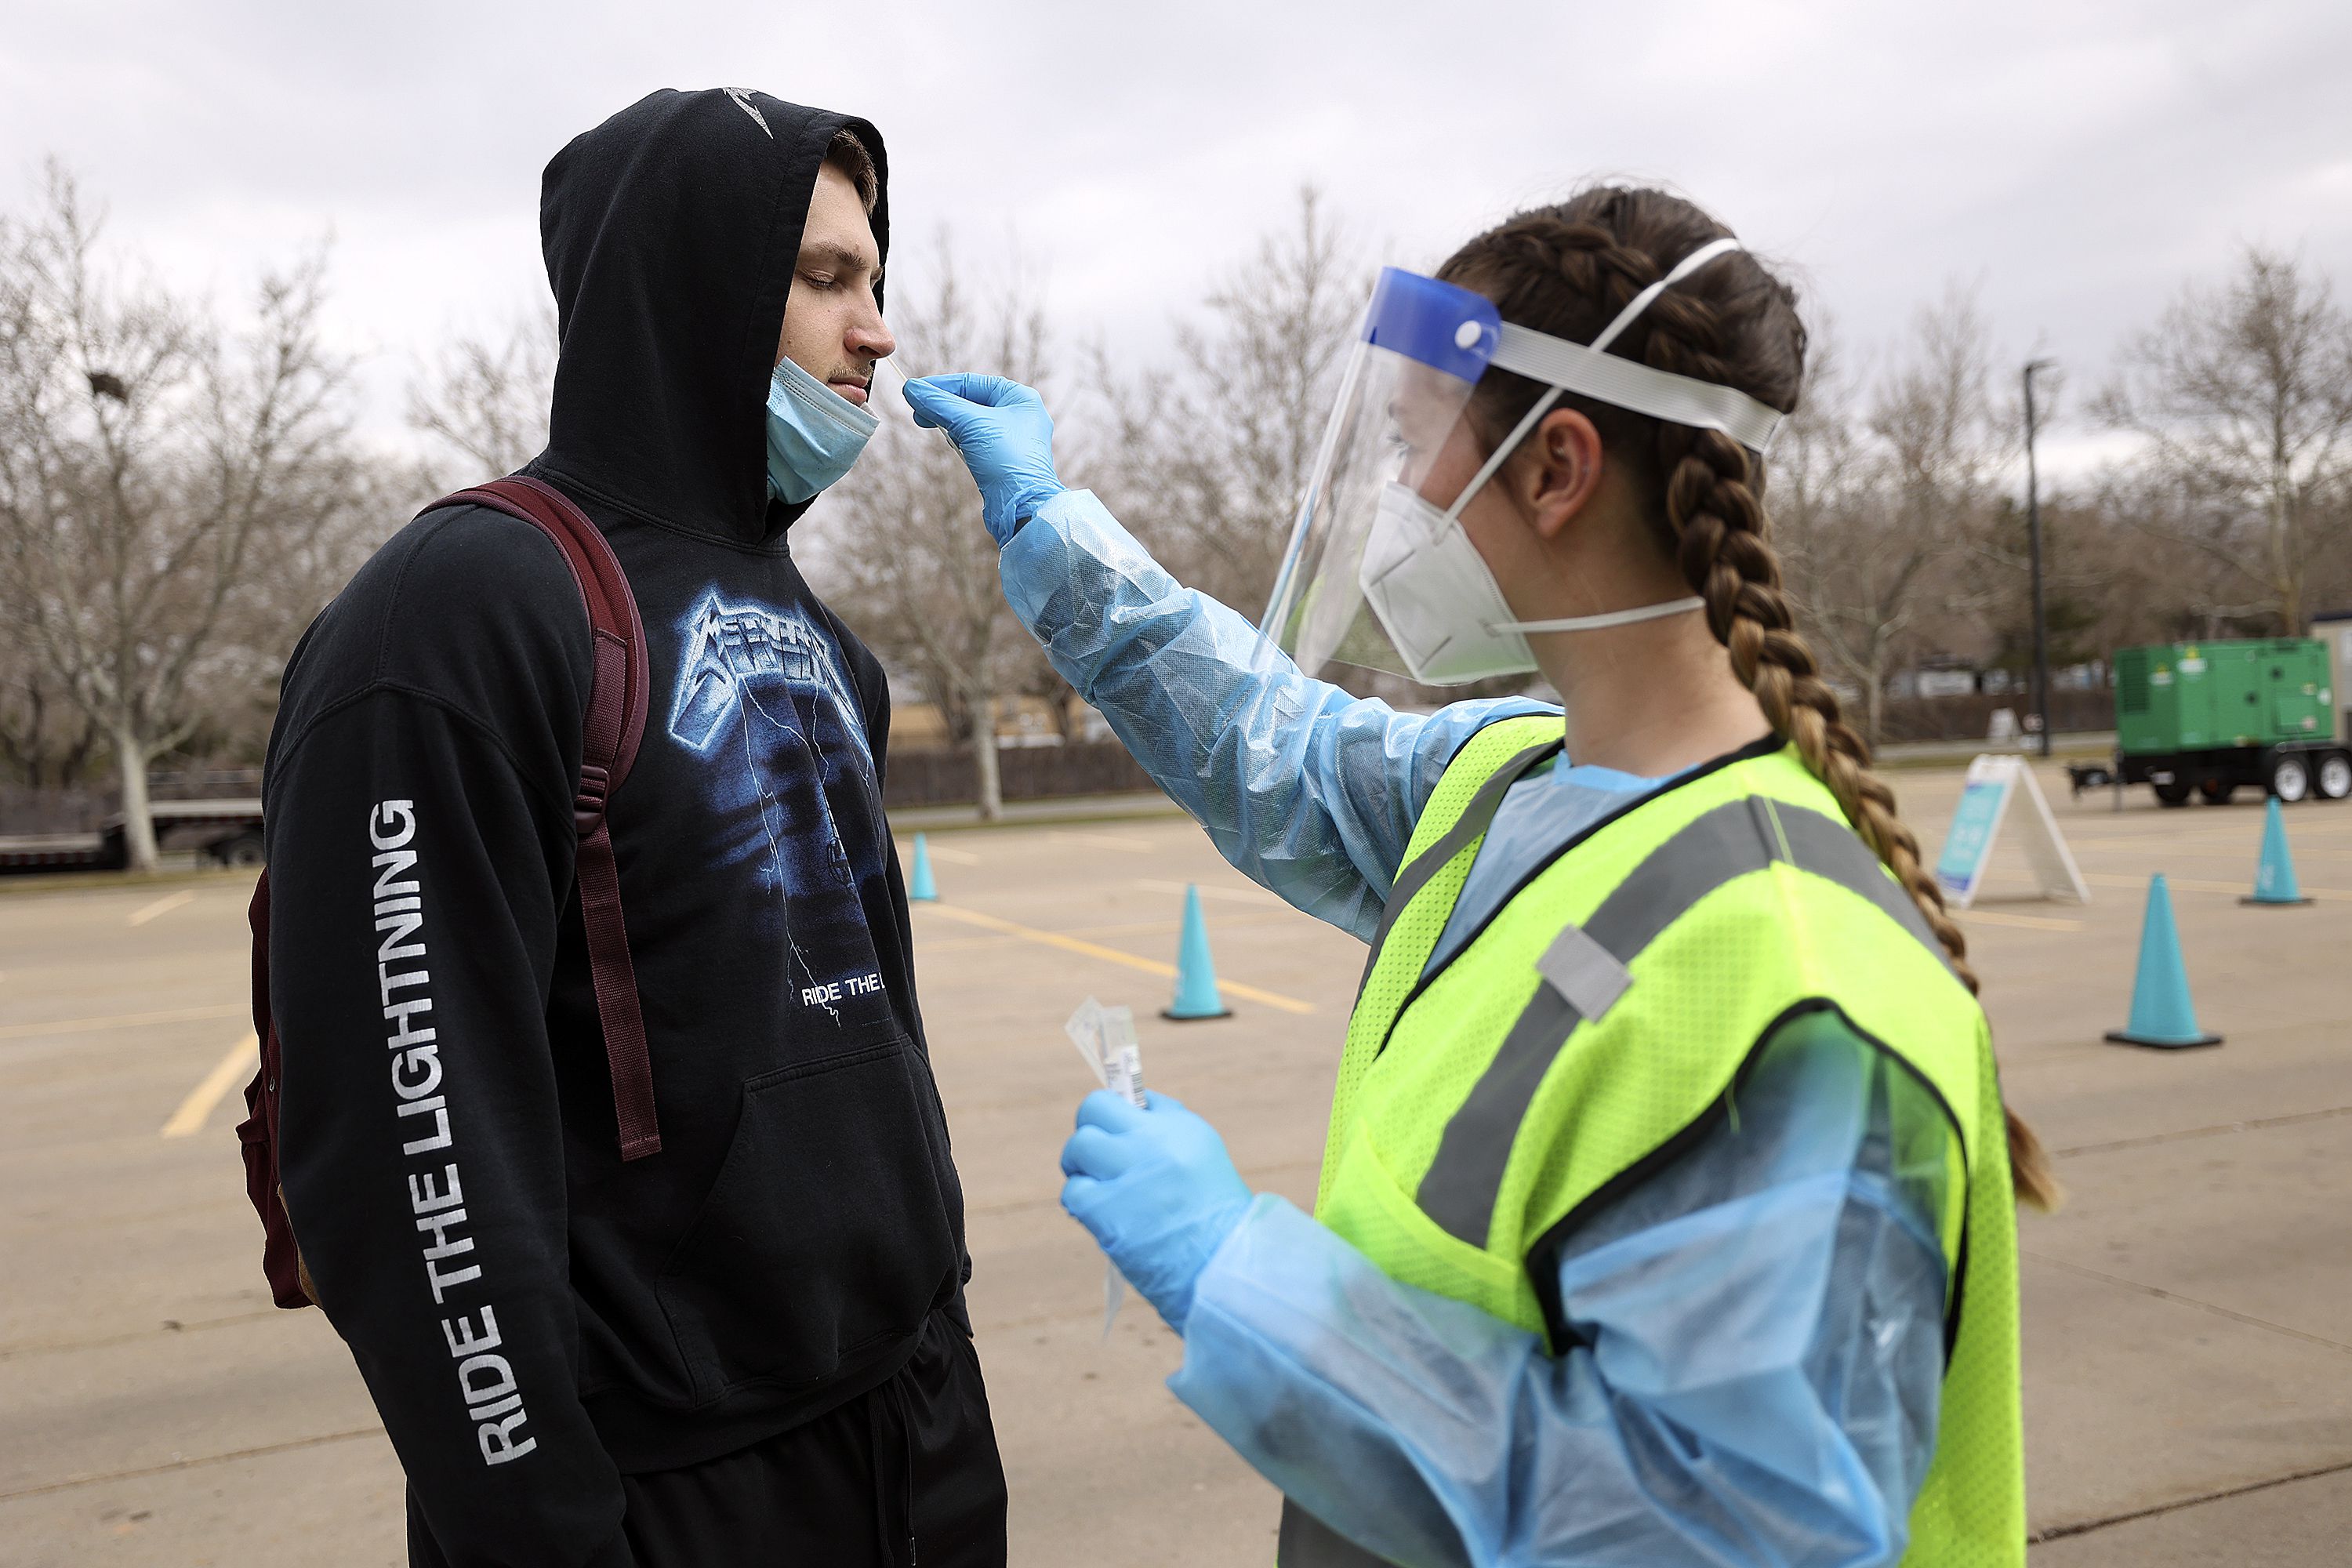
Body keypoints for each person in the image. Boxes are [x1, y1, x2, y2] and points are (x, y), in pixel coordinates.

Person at [904, 186, 2056, 1566]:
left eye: (1413, 449)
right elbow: (1273, 747)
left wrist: (1244, 1283)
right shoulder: (1509, 781)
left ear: (1557, 467)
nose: (1399, 499)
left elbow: (1711, 1533)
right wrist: (1047, 520)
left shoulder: (1789, 986)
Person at [264, 90, 1004, 1568]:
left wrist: (942, 1372)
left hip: (913, 1434)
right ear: (692, 288)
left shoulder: (826, 642)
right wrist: (542, 1527)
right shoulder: (468, 611)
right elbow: (407, 1144)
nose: (875, 333)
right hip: (671, 1489)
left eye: (876, 281)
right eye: (821, 279)